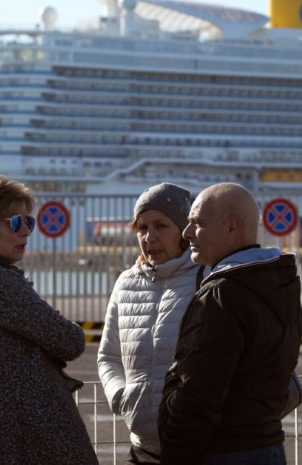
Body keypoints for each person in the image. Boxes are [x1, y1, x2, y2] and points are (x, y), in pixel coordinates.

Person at [0, 173, 98, 464]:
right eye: (15, 222)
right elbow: (70, 340)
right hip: (24, 443)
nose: (26, 231)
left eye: (29, 221)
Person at [158, 182, 302, 465]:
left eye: (196, 223)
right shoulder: (280, 283)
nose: (187, 233)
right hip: (268, 447)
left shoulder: (221, 295)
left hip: (222, 452)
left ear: (231, 227)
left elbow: (198, 395)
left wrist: (174, 454)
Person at [97, 182, 200, 464]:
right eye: (142, 228)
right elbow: (108, 356)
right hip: (142, 449)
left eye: (161, 226)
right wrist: (120, 396)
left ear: (183, 230)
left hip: (200, 448)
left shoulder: (206, 278)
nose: (149, 236)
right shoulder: (126, 283)